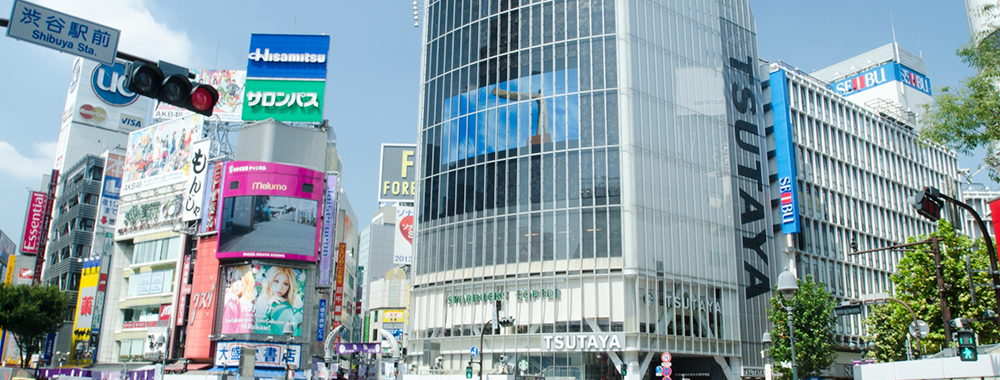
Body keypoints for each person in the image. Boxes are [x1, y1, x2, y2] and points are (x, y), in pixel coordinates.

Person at [253, 266, 303, 335]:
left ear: (290, 286)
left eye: (285, 284)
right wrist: (268, 307)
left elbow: (299, 327)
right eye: (276, 281)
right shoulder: (262, 299)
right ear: (270, 281)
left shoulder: (296, 300)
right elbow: (259, 330)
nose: (279, 287)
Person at [221, 265, 255, 333]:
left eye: (239, 279)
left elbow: (245, 330)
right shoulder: (230, 299)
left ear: (246, 281)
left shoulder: (246, 304)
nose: (235, 284)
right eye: (234, 280)